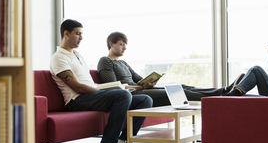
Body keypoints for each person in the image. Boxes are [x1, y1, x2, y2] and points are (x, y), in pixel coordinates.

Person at [50, 19, 153, 143]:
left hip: (92, 95)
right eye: (78, 34)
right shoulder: (58, 58)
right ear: (66, 34)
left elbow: (89, 83)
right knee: (122, 95)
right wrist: (99, 89)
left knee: (145, 100)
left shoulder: (77, 55)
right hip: (78, 99)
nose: (81, 37)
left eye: (82, 34)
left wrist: (103, 88)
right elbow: (77, 87)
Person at [97, 32, 245, 107]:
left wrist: (148, 82)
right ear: (111, 43)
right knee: (179, 92)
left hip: (140, 89)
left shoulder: (123, 62)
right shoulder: (105, 61)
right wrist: (141, 86)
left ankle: (222, 91)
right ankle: (219, 99)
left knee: (181, 86)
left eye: (125, 44)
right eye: (121, 44)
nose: (124, 47)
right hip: (132, 94)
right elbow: (115, 87)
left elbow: (138, 79)